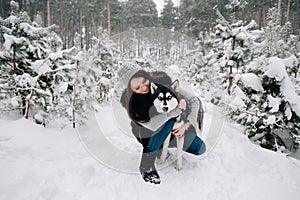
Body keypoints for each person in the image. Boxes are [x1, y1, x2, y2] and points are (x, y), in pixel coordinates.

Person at [118, 61, 206, 184]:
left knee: (199, 148)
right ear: (130, 90)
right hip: (150, 135)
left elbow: (193, 100)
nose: (144, 88)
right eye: (137, 87)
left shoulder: (163, 82)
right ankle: (146, 165)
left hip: (175, 130)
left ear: (146, 76)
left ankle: (168, 144)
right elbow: (152, 125)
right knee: (167, 119)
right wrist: (175, 111)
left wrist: (186, 125)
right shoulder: (132, 104)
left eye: (144, 82)